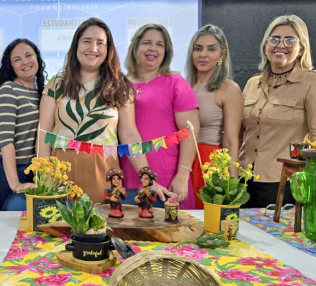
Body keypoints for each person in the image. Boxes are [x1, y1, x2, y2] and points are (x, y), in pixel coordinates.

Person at [38, 17, 151, 204]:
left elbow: (130, 134)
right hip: (60, 174)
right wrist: (44, 178)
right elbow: (43, 133)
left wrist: (145, 175)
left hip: (104, 175)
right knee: (59, 230)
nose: (93, 48)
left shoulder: (120, 86)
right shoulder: (57, 84)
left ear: (108, 50)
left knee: (101, 229)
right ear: (76, 46)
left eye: (100, 43)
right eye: (87, 41)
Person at [240, 14, 316, 208]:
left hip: (284, 183)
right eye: (275, 39)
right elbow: (241, 133)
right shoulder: (252, 84)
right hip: (243, 182)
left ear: (301, 49)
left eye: (290, 40)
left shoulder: (310, 82)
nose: (281, 45)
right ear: (266, 45)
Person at [122, 23, 199, 210]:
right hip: (126, 176)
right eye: (147, 42)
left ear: (166, 51)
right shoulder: (119, 83)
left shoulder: (175, 83)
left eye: (160, 44)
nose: (153, 49)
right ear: (135, 47)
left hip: (167, 178)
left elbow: (190, 131)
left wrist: (182, 175)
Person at [185, 25, 243, 209]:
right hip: (181, 163)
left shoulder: (229, 89)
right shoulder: (183, 86)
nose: (203, 54)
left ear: (222, 54)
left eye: (211, 49)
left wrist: (232, 186)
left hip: (210, 166)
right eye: (198, 48)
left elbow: (232, 140)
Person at [0, 39, 45, 210]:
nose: (25, 62)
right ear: (11, 66)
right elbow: (6, 141)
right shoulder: (9, 90)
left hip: (37, 170)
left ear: (37, 58)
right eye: (17, 59)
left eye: (28, 55)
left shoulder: (41, 91)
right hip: (15, 170)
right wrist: (15, 184)